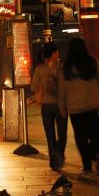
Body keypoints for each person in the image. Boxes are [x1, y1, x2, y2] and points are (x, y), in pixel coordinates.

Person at [58, 37, 99, 174]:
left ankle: (87, 165)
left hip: (75, 109)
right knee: (95, 133)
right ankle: (98, 154)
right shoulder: (93, 63)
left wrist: (62, 108)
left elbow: (62, 91)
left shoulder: (66, 68)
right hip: (93, 105)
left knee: (81, 137)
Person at [31, 41, 68, 171]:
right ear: (53, 53)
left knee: (50, 134)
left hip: (46, 106)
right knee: (62, 134)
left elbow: (34, 86)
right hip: (60, 105)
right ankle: (58, 155)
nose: (58, 53)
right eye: (56, 51)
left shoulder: (39, 69)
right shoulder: (62, 67)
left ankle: (54, 159)